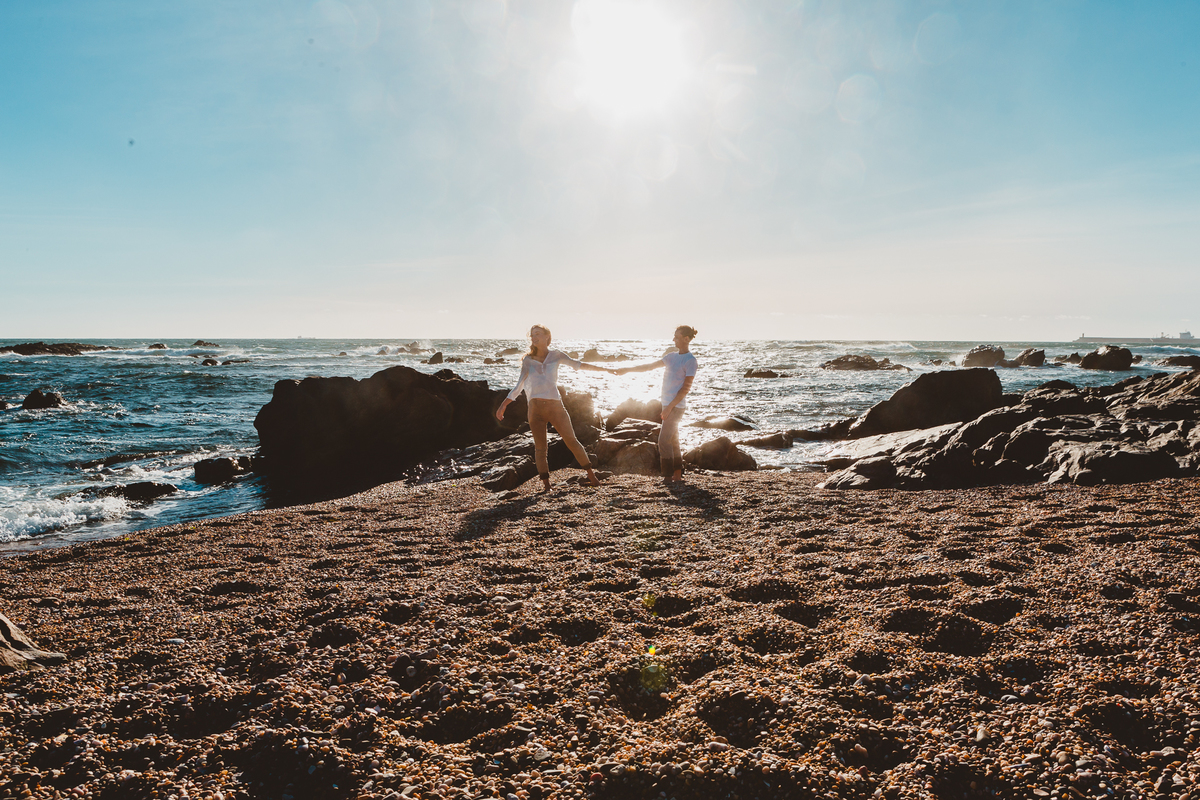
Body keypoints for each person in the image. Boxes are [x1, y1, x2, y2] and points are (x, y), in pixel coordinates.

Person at [495, 324, 612, 491]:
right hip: (535, 409)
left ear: (546, 337)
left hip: (555, 406)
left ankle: (592, 477)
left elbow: (578, 365)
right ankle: (547, 486)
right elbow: (519, 385)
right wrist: (503, 405)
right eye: (532, 335)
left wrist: (605, 369)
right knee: (541, 448)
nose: (534, 337)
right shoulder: (528, 361)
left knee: (572, 441)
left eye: (537, 334)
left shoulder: (556, 356)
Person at [615, 325, 698, 483]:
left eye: (677, 336)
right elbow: (648, 367)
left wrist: (669, 407)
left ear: (686, 339)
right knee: (673, 440)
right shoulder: (671, 357)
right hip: (667, 404)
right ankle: (677, 475)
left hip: (676, 407)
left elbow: (685, 388)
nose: (673, 339)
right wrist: (626, 370)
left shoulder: (690, 361)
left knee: (663, 440)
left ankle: (667, 476)